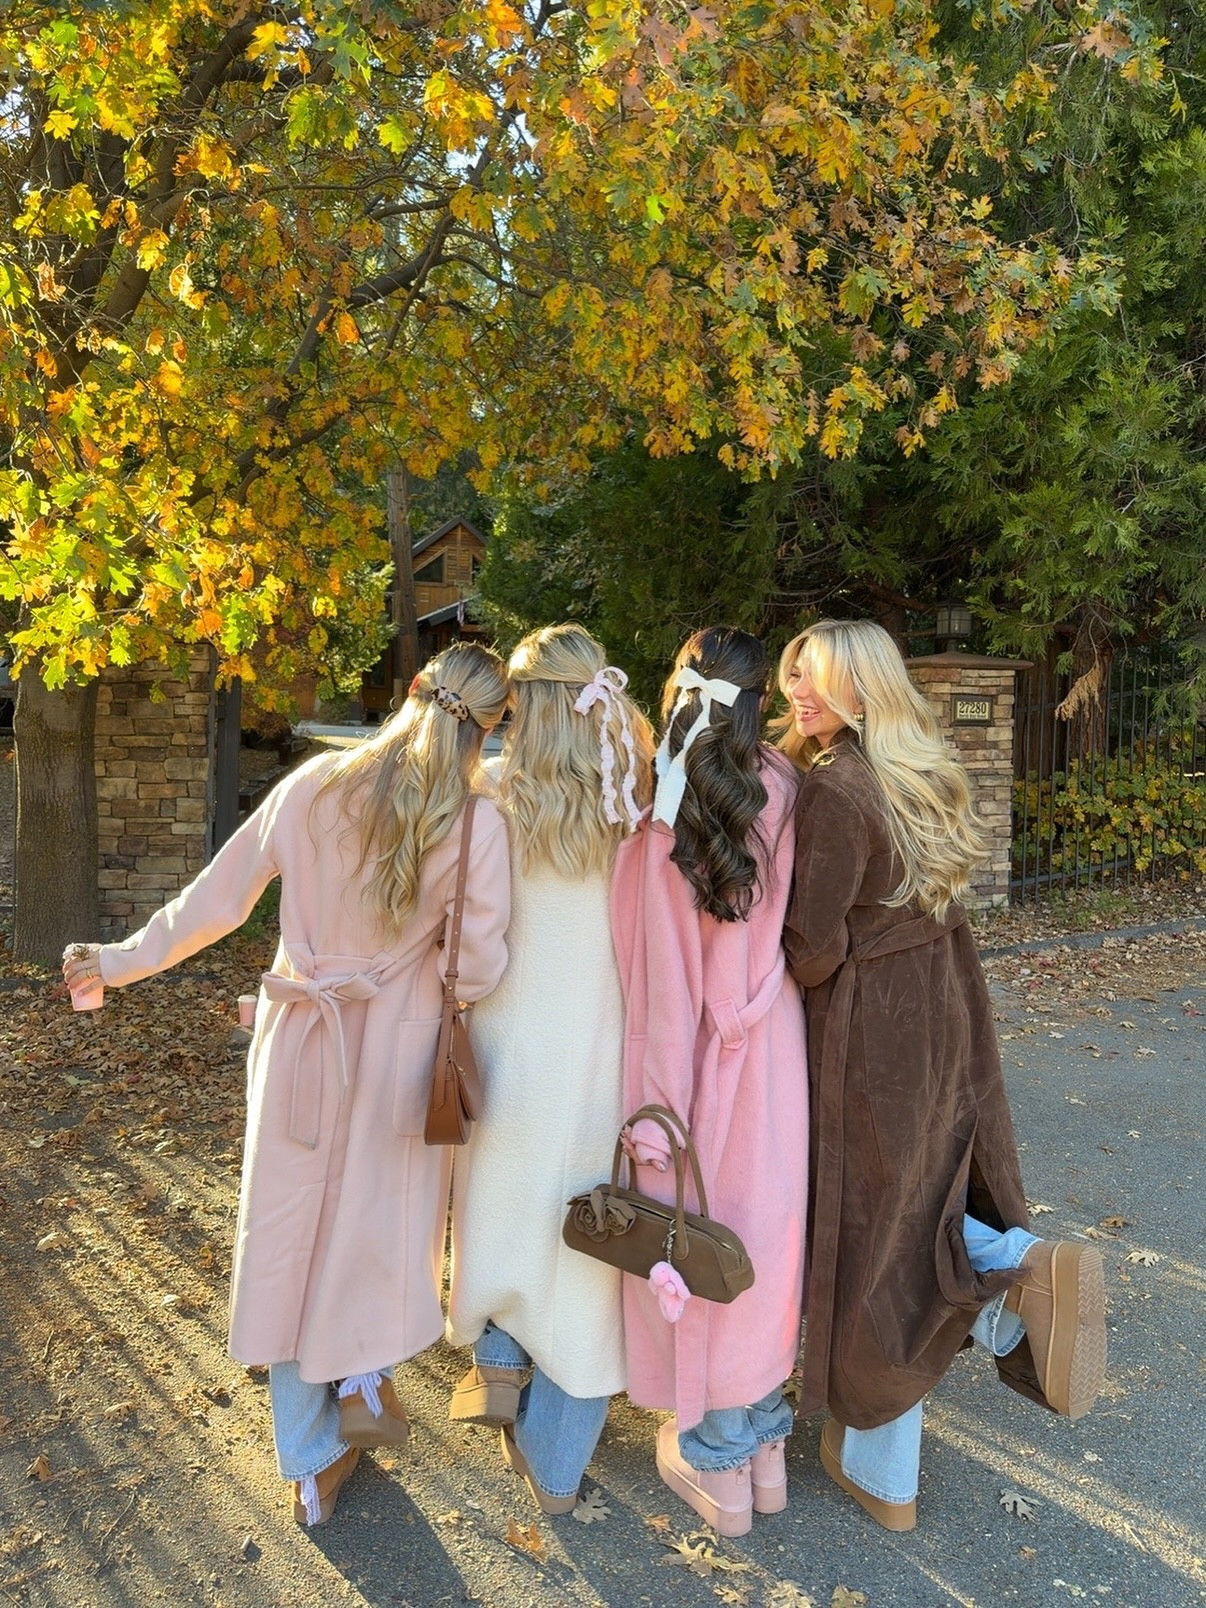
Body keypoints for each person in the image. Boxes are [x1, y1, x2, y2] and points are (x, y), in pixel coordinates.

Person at [63, 644, 511, 1528]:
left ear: (411, 692)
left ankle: (308, 1458)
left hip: (302, 1037)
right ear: (489, 728)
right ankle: (360, 1380)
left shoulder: (313, 786)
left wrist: (114, 964)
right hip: (392, 1052)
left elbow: (213, 903)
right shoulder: (475, 825)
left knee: (287, 1228)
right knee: (369, 1229)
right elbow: (480, 969)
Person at [779, 617, 1106, 1531]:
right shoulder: (925, 765)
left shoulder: (835, 788)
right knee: (917, 1189)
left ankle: (997, 1287)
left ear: (865, 685)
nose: (799, 694)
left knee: (872, 1220)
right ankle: (1008, 1277)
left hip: (869, 1024)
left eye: (819, 678)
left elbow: (812, 947)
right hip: (944, 1000)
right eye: (794, 675)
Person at [445, 624, 654, 1515]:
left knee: (500, 1208)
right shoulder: (635, 797)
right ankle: (558, 1466)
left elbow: (469, 931)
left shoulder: (489, 794)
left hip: (506, 1039)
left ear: (520, 708)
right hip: (599, 1048)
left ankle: (497, 1359)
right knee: (584, 1244)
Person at [608, 626, 809, 1538]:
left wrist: (653, 1121)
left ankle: (720, 1474)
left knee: (697, 1241)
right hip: (772, 1046)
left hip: (693, 1064)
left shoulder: (665, 812)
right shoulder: (785, 784)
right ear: (759, 700)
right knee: (761, 1239)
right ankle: (764, 1455)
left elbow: (662, 990)